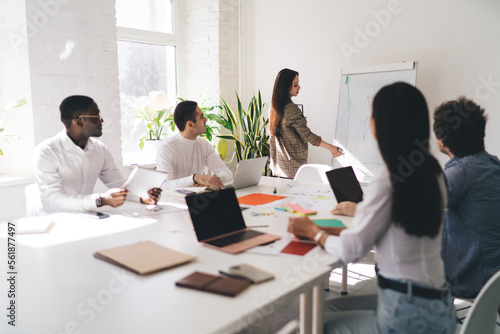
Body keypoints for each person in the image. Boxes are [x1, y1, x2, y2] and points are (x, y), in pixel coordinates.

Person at [288, 82, 456, 333]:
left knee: (311, 325)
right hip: (438, 306)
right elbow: (394, 234)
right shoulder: (433, 173)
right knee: (326, 310)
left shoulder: (388, 182)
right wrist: (329, 230)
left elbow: (351, 251)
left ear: (379, 126)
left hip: (405, 314)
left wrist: (314, 232)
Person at [34, 95, 161, 213]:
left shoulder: (99, 149)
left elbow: (118, 184)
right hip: (56, 222)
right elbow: (53, 201)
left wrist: (142, 196)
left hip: (89, 217)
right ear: (79, 122)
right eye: (96, 116)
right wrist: (101, 200)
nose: (102, 120)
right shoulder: (46, 152)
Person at [433, 96, 500, 298]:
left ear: (442, 141)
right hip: (495, 275)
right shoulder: (492, 164)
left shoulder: (460, 173)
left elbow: (418, 209)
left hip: (472, 280)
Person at [269, 68, 343, 178]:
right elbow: (308, 135)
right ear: (285, 87)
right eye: (295, 85)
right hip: (293, 169)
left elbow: (285, 131)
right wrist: (331, 148)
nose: (299, 87)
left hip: (280, 168)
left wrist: (301, 122)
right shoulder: (291, 109)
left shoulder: (273, 108)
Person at [156, 100, 232, 190]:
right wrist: (194, 178)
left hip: (198, 197)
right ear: (190, 124)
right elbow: (165, 185)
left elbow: (227, 173)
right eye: (201, 117)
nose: (206, 120)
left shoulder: (203, 144)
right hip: (177, 199)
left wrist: (213, 180)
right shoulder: (167, 148)